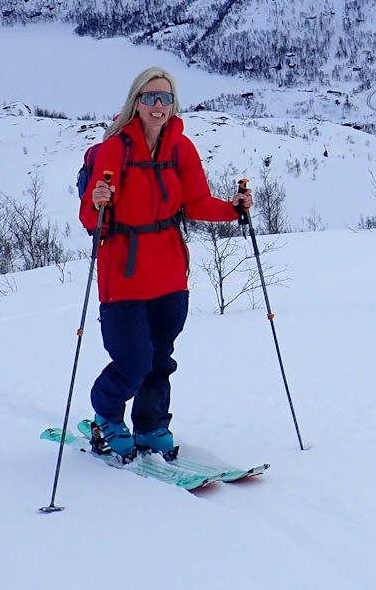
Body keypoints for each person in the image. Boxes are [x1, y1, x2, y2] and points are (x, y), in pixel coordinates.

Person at [79, 66, 251, 461]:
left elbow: (196, 202)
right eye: (151, 98)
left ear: (174, 104)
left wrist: (233, 210)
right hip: (123, 272)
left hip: (170, 271)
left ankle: (152, 424)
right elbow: (92, 220)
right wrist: (97, 200)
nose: (159, 106)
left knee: (160, 357)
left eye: (166, 98)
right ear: (136, 102)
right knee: (132, 361)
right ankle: (106, 416)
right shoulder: (114, 149)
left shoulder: (181, 148)